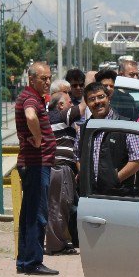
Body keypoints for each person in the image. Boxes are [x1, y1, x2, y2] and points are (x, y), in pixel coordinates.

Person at [81, 82, 139, 277]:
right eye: (92, 99)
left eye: (100, 97)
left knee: (119, 246)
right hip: (93, 197)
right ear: (87, 103)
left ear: (108, 98)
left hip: (119, 196)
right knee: (95, 247)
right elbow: (77, 157)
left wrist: (115, 178)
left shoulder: (123, 125)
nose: (97, 102)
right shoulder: (86, 127)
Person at [15, 62, 59, 276]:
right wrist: (40, 137)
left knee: (29, 213)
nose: (48, 82)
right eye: (44, 78)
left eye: (49, 78)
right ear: (32, 79)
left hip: (34, 163)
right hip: (36, 164)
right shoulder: (30, 98)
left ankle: (25, 260)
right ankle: (32, 261)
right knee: (37, 213)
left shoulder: (30, 96)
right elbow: (31, 116)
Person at [45, 90, 86, 255]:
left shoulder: (58, 119)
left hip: (62, 168)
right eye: (70, 102)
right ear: (61, 105)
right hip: (60, 168)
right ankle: (56, 246)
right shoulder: (60, 116)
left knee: (62, 204)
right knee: (58, 206)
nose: (73, 105)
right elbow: (84, 106)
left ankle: (59, 242)